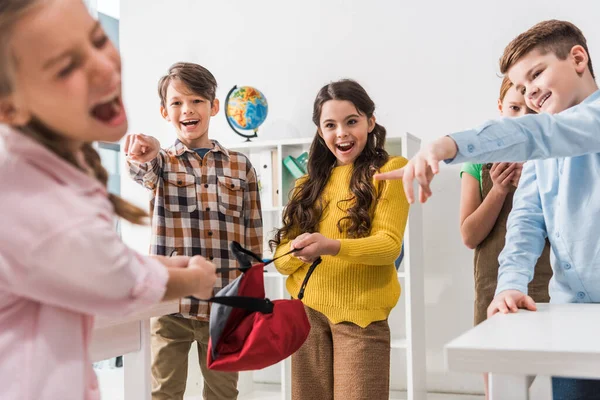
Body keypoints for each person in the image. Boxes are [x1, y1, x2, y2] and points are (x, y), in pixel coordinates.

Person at [0, 1, 217, 399]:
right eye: (66, 67)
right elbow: (119, 279)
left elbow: (103, 259)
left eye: (99, 39)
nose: (103, 67)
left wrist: (188, 269)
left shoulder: (56, 169)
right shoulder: (28, 194)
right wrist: (194, 277)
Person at [376, 20, 600, 399]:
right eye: (524, 88)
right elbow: (526, 223)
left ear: (577, 58)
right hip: (569, 316)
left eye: (537, 74)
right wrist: (510, 284)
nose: (532, 94)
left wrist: (445, 146)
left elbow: (537, 134)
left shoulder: (572, 126)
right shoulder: (541, 154)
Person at [125, 62, 263, 400]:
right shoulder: (163, 163)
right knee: (165, 393)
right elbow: (144, 170)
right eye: (177, 103)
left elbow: (253, 235)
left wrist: (252, 296)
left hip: (224, 305)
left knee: (223, 394)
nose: (187, 109)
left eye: (197, 100)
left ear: (213, 106)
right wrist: (143, 154)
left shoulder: (240, 166)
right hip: (170, 304)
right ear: (164, 112)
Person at [272, 79, 409, 400]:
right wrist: (296, 252)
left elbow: (389, 246)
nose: (341, 133)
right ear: (320, 132)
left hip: (361, 318)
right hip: (306, 316)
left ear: (370, 122)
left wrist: (330, 246)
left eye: (352, 121)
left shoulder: (392, 170)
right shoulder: (307, 184)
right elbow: (281, 261)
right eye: (330, 125)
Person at [459, 76, 552, 399]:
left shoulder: (554, 161)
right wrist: (498, 190)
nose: (522, 118)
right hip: (493, 287)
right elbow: (469, 235)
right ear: (500, 109)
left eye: (531, 110)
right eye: (514, 107)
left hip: (550, 287)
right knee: (499, 388)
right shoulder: (477, 162)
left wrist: (536, 185)